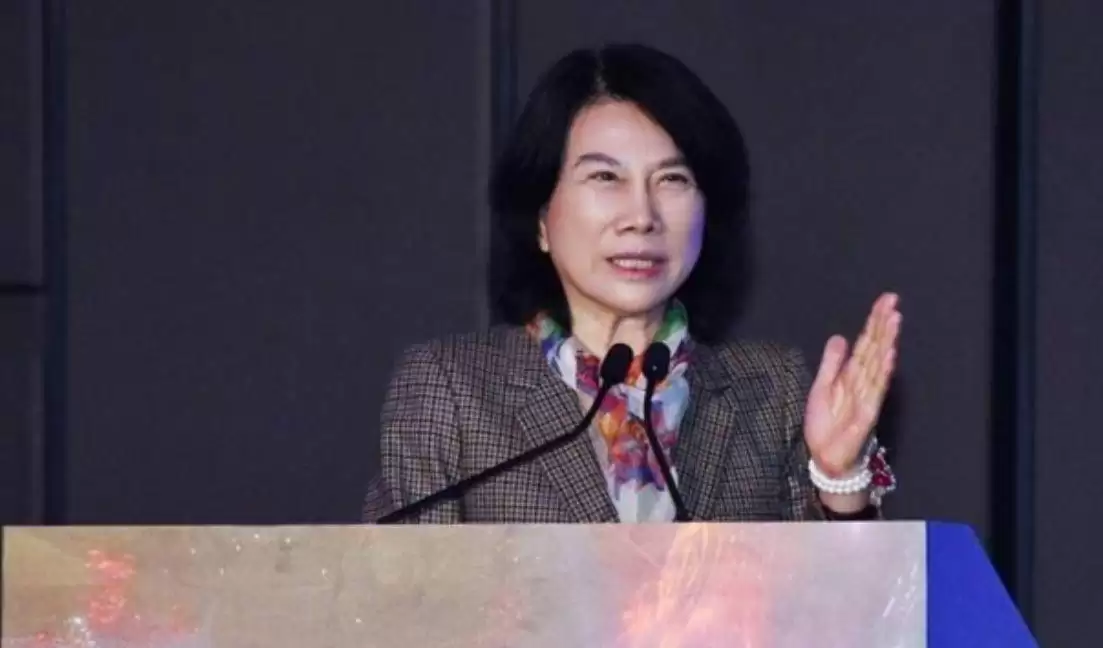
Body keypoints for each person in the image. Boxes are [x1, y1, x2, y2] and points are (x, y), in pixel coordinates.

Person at [362, 42, 900, 525]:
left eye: (672, 179)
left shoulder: (772, 391)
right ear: (541, 217)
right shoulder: (452, 391)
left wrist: (840, 478)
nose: (642, 216)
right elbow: (400, 593)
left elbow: (844, 598)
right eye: (605, 177)